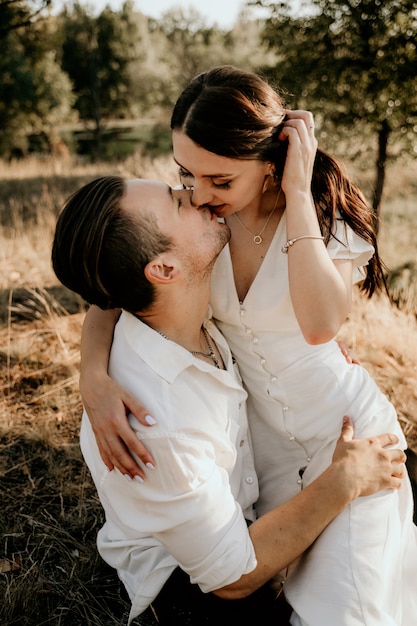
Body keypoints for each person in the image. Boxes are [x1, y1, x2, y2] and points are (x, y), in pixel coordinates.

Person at [79, 66, 417, 625]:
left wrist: (299, 194)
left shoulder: (319, 214)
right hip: (259, 455)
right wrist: (93, 378)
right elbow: (109, 294)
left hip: (345, 426)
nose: (200, 195)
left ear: (268, 163)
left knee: (350, 608)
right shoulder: (191, 228)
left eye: (219, 180)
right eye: (186, 173)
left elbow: (319, 325)